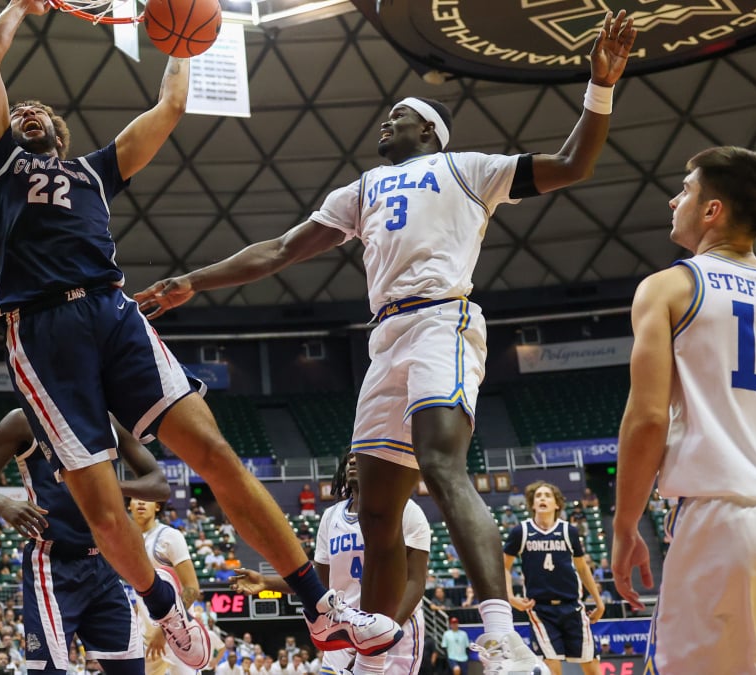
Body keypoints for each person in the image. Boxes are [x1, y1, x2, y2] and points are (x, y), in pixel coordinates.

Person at [134, 11, 636, 672]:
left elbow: (574, 163)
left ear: (428, 128)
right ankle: (374, 641)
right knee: (375, 508)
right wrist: (191, 281)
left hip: (441, 320)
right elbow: (282, 249)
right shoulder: (362, 188)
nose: (383, 122)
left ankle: (501, 636)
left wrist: (598, 87)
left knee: (442, 464)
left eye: (397, 115)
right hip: (388, 335)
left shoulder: (467, 168)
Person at [0, 0, 396, 663]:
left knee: (215, 452)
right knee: (102, 507)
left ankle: (319, 606)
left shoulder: (94, 174)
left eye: (42, 111)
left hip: (113, 311)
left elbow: (168, 108)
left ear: (62, 132)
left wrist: (184, 34)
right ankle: (166, 607)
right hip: (42, 329)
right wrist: (22, 5)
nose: (28, 111)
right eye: (19, 109)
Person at [612, 146, 756, 674]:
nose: (675, 199)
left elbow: (647, 419)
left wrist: (626, 526)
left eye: (686, 190)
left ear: (712, 210)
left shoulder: (670, 286)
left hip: (726, 519)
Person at [0, 409, 169, 675]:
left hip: (102, 565)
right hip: (52, 566)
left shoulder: (109, 419)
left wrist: (110, 486)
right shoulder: (23, 420)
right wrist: (4, 504)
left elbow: (159, 485)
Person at [231, 451, 431, 675]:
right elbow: (320, 582)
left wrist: (380, 634)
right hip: (344, 626)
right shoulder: (330, 517)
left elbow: (415, 582)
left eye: (361, 456)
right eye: (349, 458)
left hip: (395, 632)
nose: (352, 460)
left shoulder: (407, 511)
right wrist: (267, 582)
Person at [503, 482, 603, 675]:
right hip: (541, 609)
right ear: (532, 505)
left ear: (557, 504)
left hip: (573, 606)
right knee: (551, 666)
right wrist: (510, 597)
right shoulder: (521, 532)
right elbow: (503, 567)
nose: (542, 498)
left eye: (547, 495)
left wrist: (599, 602)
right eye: (538, 496)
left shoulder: (569, 531)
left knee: (592, 668)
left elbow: (582, 568)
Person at [127, 495, 204, 675]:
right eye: (136, 498)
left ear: (157, 506)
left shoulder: (170, 536)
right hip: (145, 638)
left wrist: (164, 632)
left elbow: (192, 589)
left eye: (147, 498)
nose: (141, 502)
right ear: (129, 505)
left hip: (179, 635)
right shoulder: (127, 540)